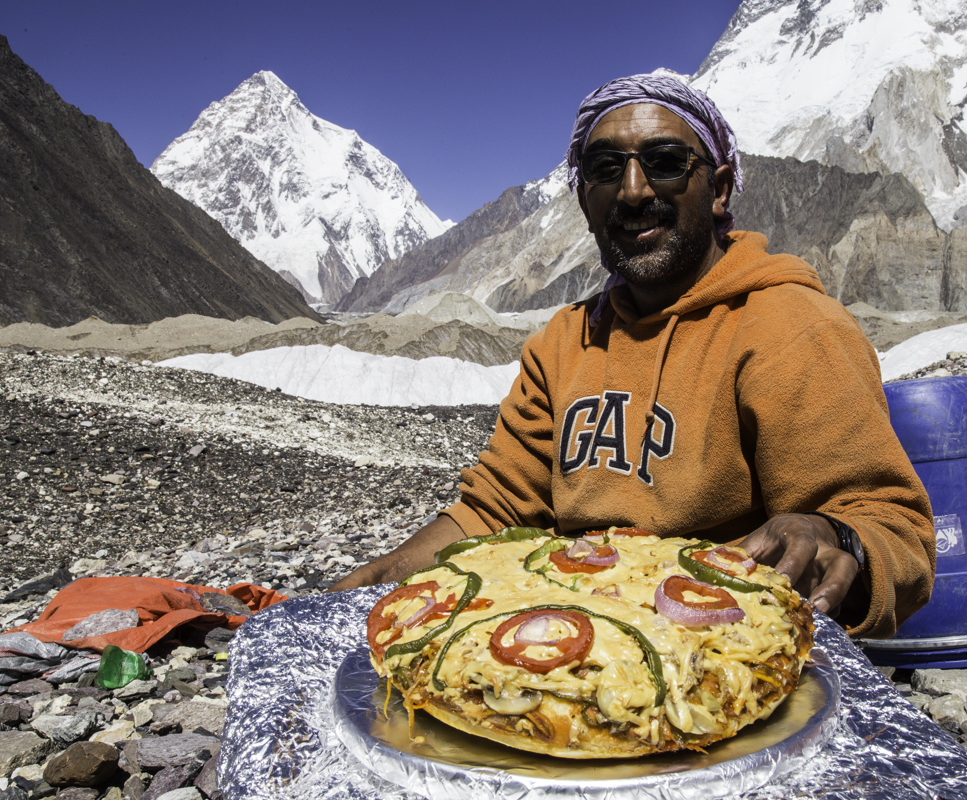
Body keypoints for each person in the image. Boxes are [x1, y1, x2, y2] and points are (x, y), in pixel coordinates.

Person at [333, 74, 935, 638]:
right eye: (605, 169)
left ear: (719, 189)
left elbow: (890, 527)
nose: (633, 190)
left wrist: (834, 536)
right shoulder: (563, 343)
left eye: (665, 162)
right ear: (584, 200)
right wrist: (379, 582)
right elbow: (495, 510)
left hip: (726, 657)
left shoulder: (791, 328)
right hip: (572, 646)